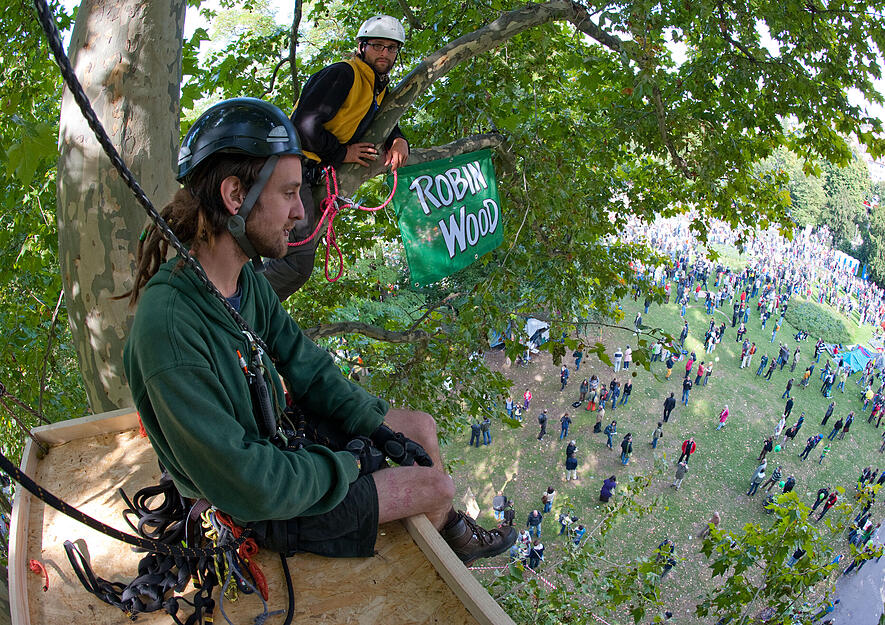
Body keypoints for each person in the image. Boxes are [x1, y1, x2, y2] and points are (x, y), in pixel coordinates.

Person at [123, 98, 514, 565]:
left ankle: (451, 533)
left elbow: (305, 365)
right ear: (234, 196)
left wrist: (368, 423)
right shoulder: (169, 328)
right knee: (436, 487)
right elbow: (248, 482)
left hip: (277, 443)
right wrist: (343, 467)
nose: (301, 214)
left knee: (421, 430)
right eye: (288, 194)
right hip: (252, 505)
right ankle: (438, 546)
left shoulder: (243, 281)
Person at [263, 16, 410, 299]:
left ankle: (242, 310)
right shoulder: (345, 74)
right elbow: (303, 126)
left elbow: (380, 120)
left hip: (306, 171)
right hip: (290, 167)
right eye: (378, 46)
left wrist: (399, 139)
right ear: (362, 46)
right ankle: (233, 309)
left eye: (392, 48)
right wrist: (343, 153)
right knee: (294, 264)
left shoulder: (376, 88)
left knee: (291, 259)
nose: (385, 53)